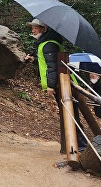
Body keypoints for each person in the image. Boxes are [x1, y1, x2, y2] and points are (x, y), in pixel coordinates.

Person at [24, 18, 87, 152]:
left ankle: (81, 146)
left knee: (70, 114)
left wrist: (51, 85)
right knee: (68, 114)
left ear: (44, 29)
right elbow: (47, 63)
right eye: (32, 28)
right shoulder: (46, 44)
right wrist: (34, 59)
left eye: (35, 28)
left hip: (62, 84)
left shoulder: (48, 44)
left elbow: (53, 67)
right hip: (61, 83)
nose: (33, 30)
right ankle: (73, 146)